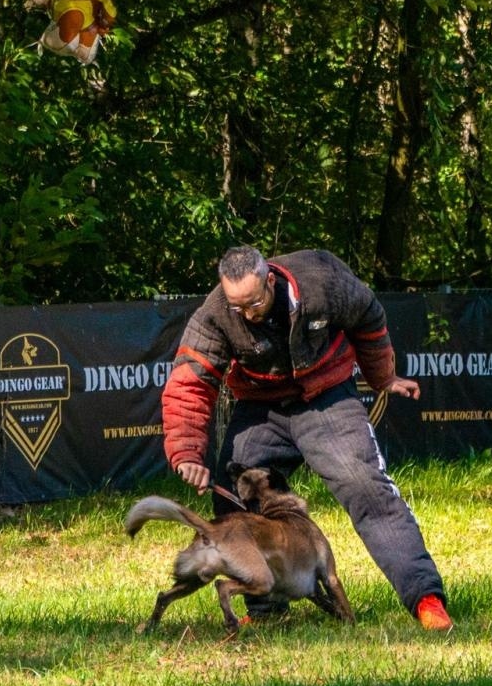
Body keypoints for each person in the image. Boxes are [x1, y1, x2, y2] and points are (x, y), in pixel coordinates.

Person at [161, 245, 452, 630]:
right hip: (261, 406)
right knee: (232, 497)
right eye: (238, 307)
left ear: (270, 280)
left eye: (254, 303)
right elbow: (189, 384)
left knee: (363, 485)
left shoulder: (322, 281)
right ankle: (264, 611)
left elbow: (369, 315)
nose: (247, 314)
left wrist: (383, 377)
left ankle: (426, 600)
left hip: (326, 396)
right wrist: (186, 453)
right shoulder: (215, 314)